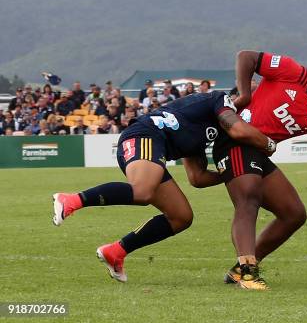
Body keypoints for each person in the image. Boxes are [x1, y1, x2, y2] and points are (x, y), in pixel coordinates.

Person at [51, 91, 276, 283]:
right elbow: (239, 130)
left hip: (154, 150)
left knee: (181, 216)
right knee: (142, 191)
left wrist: (231, 173)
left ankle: (116, 251)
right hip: (144, 136)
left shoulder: (206, 132)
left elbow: (197, 178)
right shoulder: (220, 99)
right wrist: (268, 143)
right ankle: (71, 200)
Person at [202, 50, 307, 290]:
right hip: (235, 138)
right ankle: (248, 271)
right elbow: (246, 57)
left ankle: (241, 269)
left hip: (258, 150)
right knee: (248, 198)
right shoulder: (295, 73)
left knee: (294, 214)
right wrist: (244, 94)